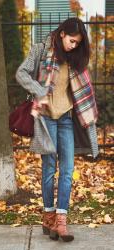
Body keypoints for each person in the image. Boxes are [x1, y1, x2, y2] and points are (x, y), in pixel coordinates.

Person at [16, 17, 98, 242]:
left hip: (66, 118)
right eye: (72, 41)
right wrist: (38, 90)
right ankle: (48, 215)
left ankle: (61, 221)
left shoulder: (74, 58)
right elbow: (21, 73)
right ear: (62, 34)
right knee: (49, 168)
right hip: (46, 118)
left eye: (78, 43)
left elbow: (81, 90)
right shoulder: (40, 50)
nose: (74, 46)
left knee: (68, 168)